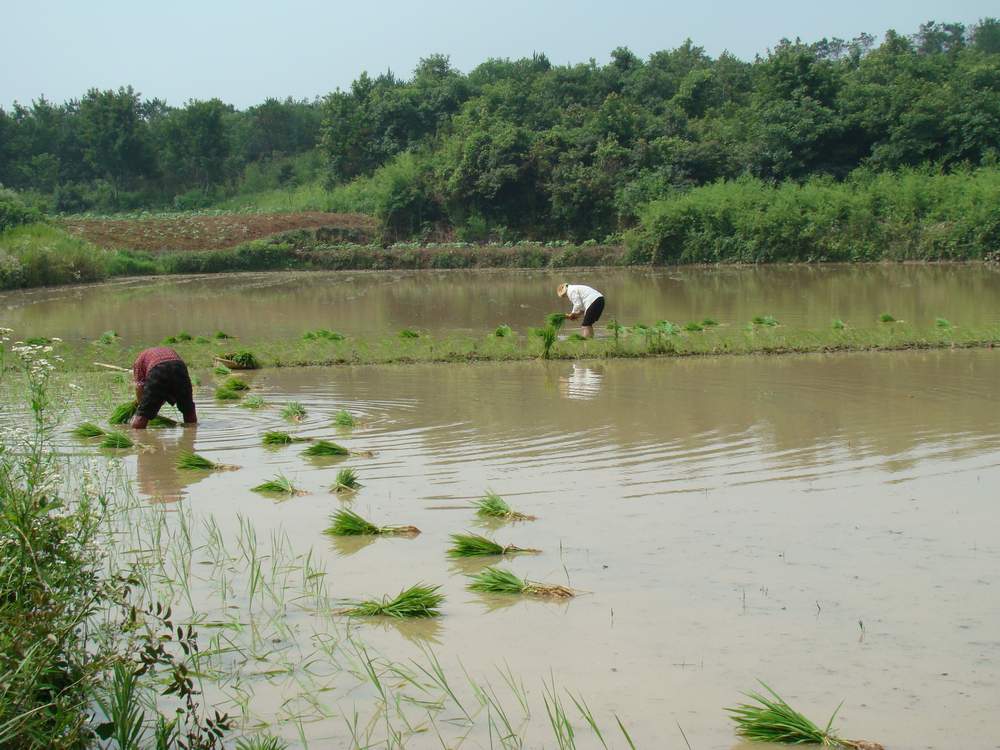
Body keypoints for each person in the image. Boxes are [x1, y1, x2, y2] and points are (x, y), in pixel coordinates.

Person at [131, 346, 197, 429]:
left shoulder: (138, 362)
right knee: (188, 410)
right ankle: (192, 436)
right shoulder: (166, 351)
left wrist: (141, 406)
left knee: (142, 415)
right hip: (179, 367)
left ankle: (137, 438)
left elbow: (139, 387)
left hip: (157, 369)